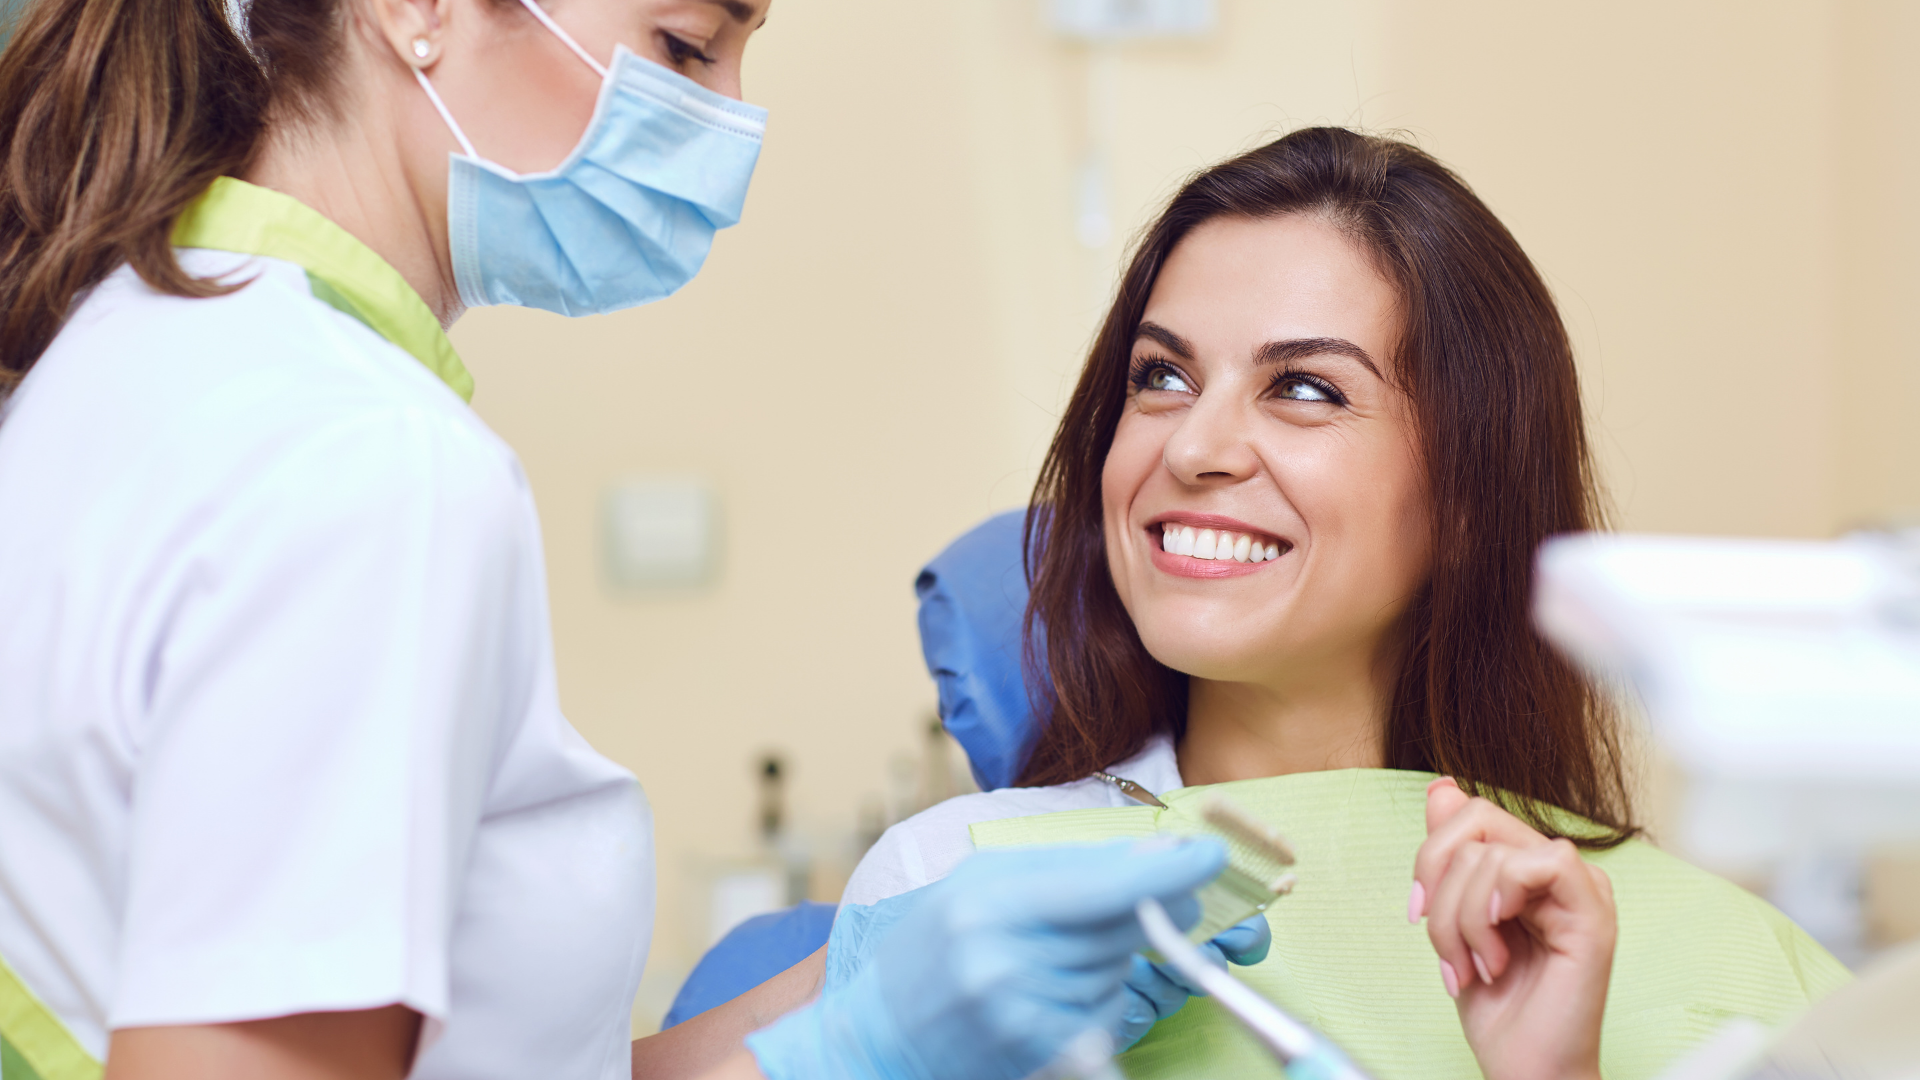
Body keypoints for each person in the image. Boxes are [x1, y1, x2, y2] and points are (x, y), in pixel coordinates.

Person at [0, 1, 1254, 1078]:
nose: (732, 133)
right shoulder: (370, 469)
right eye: (688, 45)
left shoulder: (139, 357)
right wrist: (858, 1053)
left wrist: (854, 980)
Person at [838, 127, 1852, 1080]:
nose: (1192, 448)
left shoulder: (1728, 971)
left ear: (1467, 497)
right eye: (1162, 376)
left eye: (1307, 390)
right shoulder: (947, 893)